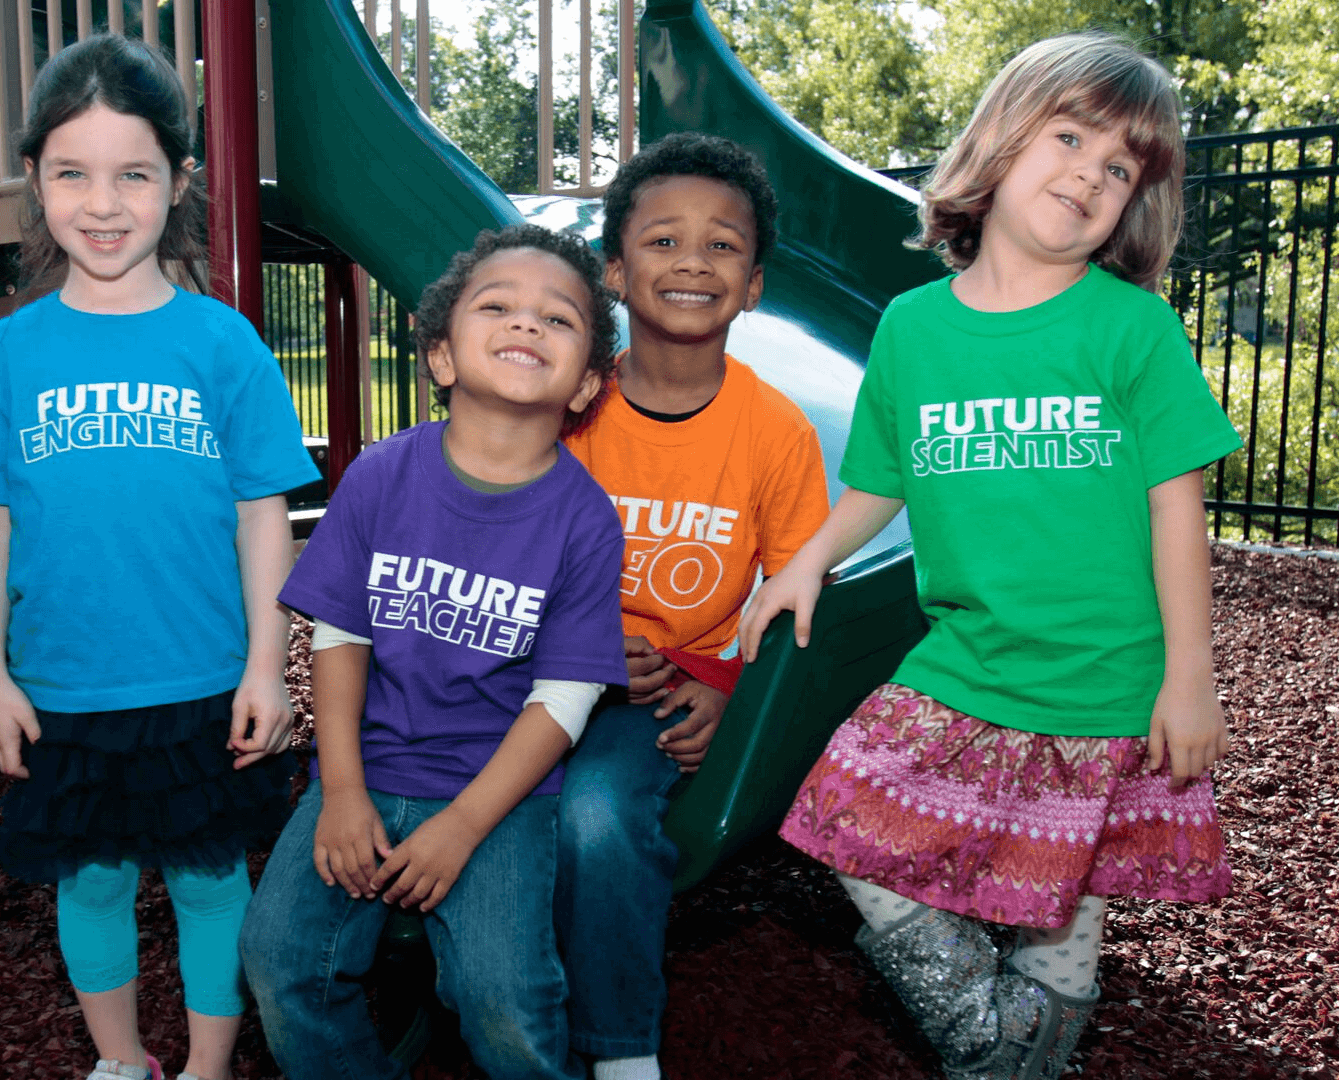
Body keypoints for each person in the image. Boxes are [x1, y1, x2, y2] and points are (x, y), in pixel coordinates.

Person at [741, 32, 1240, 1080]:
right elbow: (880, 481)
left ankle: (1014, 1063)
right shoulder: (916, 329)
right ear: (1002, 143)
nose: (1091, 175)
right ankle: (992, 1040)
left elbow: (1175, 513)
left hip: (1105, 685)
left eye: (1120, 169)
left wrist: (1190, 681)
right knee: (841, 816)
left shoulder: (1132, 329)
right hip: (965, 664)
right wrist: (806, 561)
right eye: (1070, 137)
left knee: (1061, 911)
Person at [0, 33, 317, 1080]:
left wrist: (264, 664)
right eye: (72, 173)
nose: (102, 203)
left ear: (179, 181)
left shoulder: (223, 344)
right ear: (34, 182)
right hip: (65, 685)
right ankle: (119, 1063)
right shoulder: (9, 356)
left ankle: (204, 1066)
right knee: (92, 881)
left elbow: (263, 514)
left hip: (202, 678)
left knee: (208, 880)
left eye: (133, 175)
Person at [239, 225, 631, 1080]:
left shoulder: (586, 521)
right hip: (363, 770)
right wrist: (339, 791)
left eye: (558, 320)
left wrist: (463, 825)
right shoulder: (380, 475)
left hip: (499, 793)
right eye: (497, 307)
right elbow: (339, 638)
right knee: (279, 964)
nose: (526, 324)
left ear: (588, 385)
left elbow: (563, 700)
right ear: (442, 358)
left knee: (504, 998)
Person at [556, 131, 830, 1080]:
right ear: (616, 270)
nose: (692, 262)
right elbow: (500, 551)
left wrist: (726, 691)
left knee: (595, 816)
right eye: (664, 241)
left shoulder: (775, 433)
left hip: (664, 695)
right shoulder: (569, 410)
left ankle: (621, 1050)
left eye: (722, 245)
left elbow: (798, 598)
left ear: (753, 284)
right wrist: (578, 643)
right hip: (538, 675)